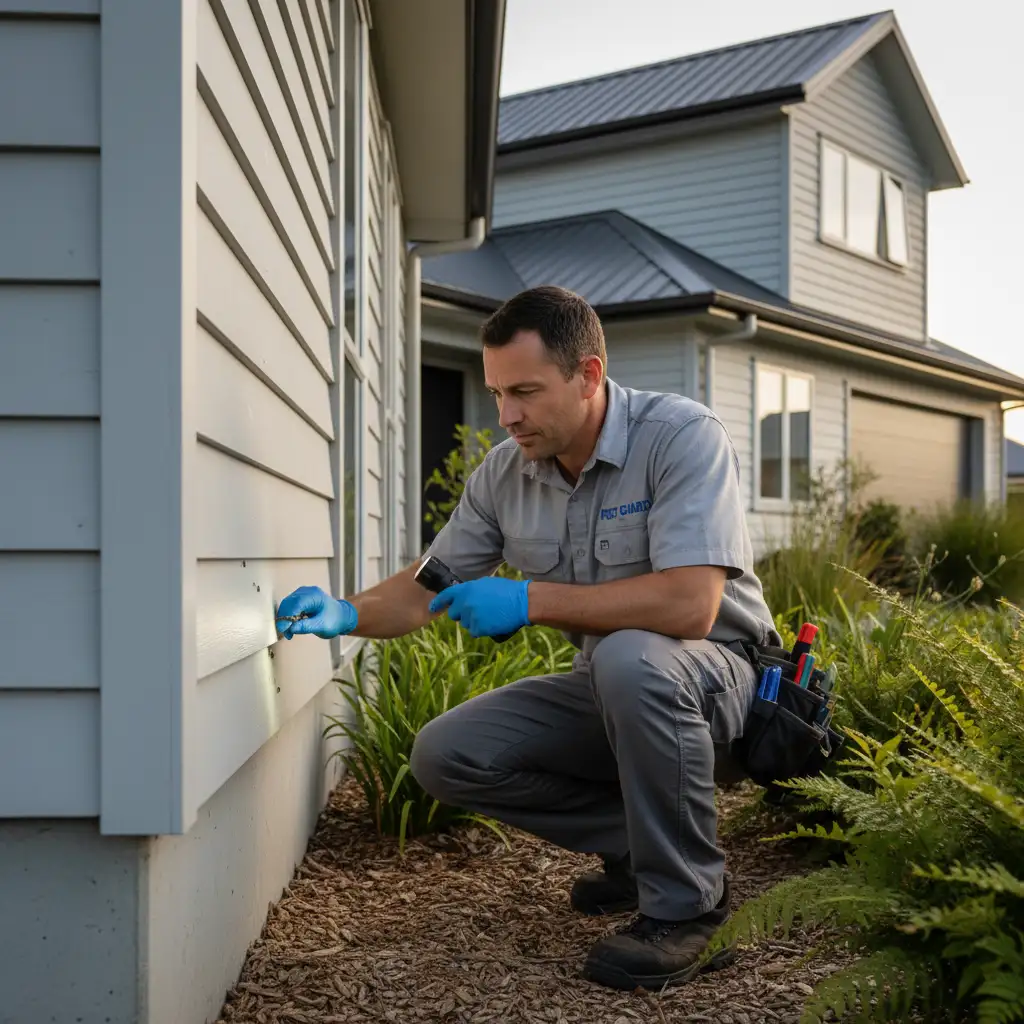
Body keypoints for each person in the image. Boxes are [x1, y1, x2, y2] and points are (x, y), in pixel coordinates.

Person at [274, 285, 780, 992]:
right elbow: (427, 586)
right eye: (497, 393)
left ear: (589, 375)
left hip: (725, 685)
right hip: (617, 685)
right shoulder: (506, 475)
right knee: (447, 754)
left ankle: (690, 908)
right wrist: (344, 612)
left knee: (630, 659)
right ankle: (641, 848)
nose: (506, 415)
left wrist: (527, 599)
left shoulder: (680, 437)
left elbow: (691, 606)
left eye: (525, 392)